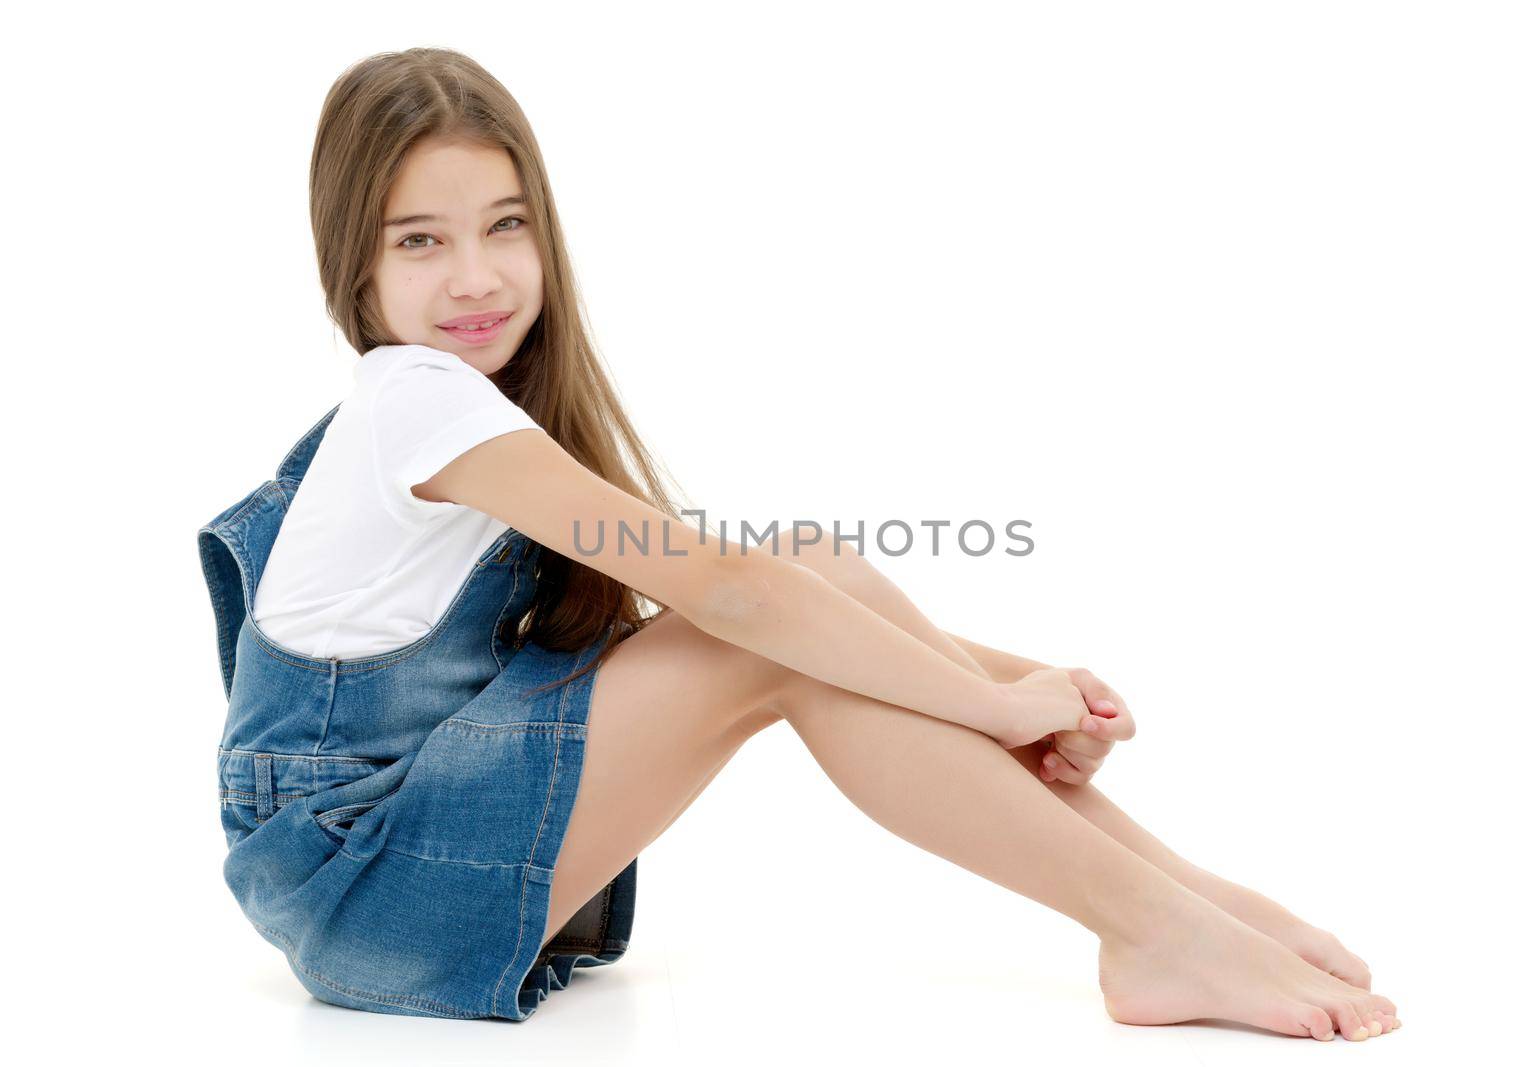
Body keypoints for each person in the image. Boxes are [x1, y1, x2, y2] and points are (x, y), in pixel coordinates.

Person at [201, 46, 1399, 1038]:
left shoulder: (468, 407)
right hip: (365, 891)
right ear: (350, 261)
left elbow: (748, 589)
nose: (475, 276)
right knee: (764, 627)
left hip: (408, 843)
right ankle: (1154, 928)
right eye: (420, 241)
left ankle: (1182, 903)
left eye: (503, 226)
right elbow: (726, 596)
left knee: (806, 567)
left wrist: (1009, 680)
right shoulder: (418, 397)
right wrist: (994, 707)